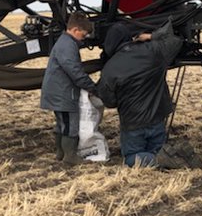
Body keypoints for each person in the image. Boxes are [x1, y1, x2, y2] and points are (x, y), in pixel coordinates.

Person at [97, 19, 185, 167]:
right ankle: (164, 157)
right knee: (157, 150)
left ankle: (159, 161)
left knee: (131, 158)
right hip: (158, 118)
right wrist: (150, 36)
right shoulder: (153, 51)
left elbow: (108, 101)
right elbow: (175, 40)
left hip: (133, 123)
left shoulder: (110, 68)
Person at [40, 12, 98, 165]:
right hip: (63, 93)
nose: (84, 38)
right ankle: (70, 156)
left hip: (58, 91)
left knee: (62, 123)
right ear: (75, 30)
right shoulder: (68, 46)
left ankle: (61, 153)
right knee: (70, 125)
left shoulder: (65, 42)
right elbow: (75, 72)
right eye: (83, 35)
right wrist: (92, 87)